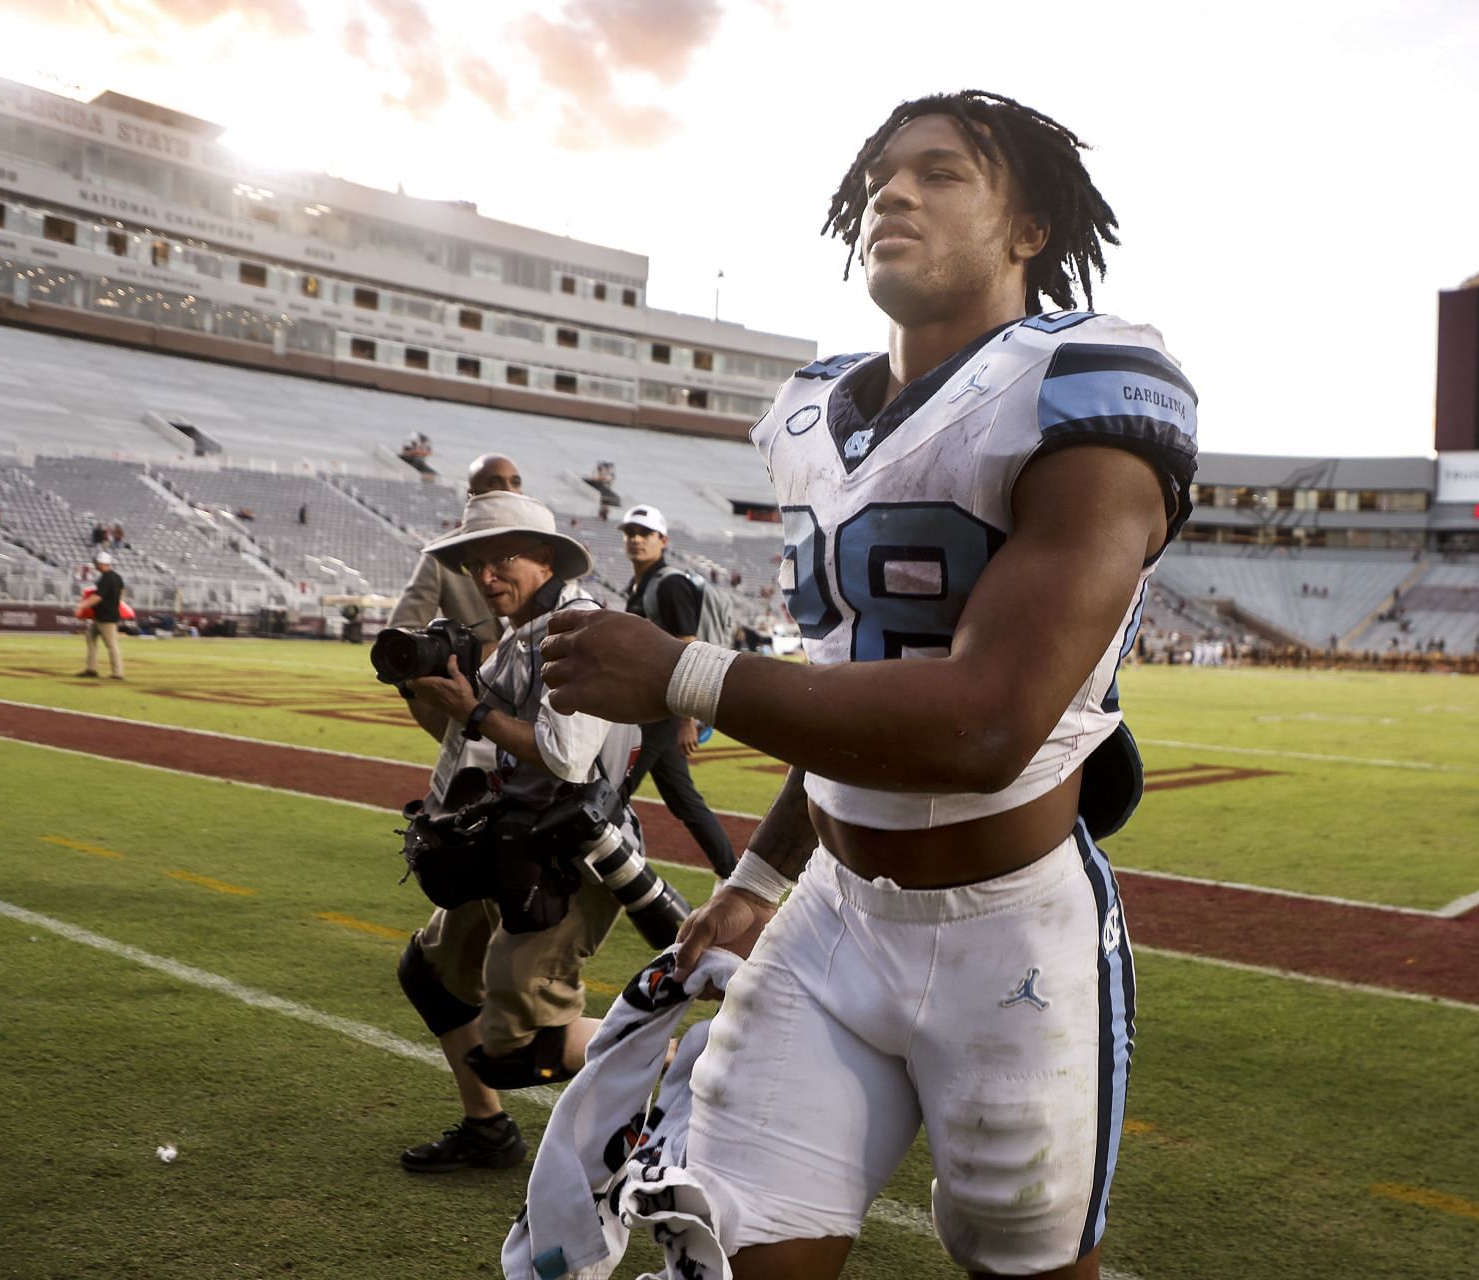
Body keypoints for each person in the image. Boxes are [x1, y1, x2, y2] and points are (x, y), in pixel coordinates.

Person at [537, 90, 1195, 1280]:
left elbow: (984, 720)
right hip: (832, 917)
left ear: (1028, 227)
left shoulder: (1084, 380)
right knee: (724, 1249)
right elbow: (855, 688)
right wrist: (754, 878)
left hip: (1011, 936)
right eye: (884, 177)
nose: (896, 192)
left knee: (1028, 1267)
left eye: (942, 174)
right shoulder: (808, 412)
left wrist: (684, 672)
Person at [393, 490, 637, 1173]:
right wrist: (436, 698)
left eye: (501, 558)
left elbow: (565, 754)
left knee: (526, 1042)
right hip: (509, 846)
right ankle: (488, 1131)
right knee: (432, 973)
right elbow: (482, 749)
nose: (487, 576)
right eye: (476, 565)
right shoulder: (520, 638)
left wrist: (473, 713)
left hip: (568, 856)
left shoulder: (576, 633)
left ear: (548, 558)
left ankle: (702, 1065)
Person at [619, 503, 738, 879]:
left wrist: (686, 718)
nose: (636, 539)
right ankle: (733, 875)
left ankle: (613, 878)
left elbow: (690, 649)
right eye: (630, 533)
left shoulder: (669, 584)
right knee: (684, 800)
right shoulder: (640, 585)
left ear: (663, 540)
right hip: (650, 707)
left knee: (612, 792)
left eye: (645, 533)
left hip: (663, 710)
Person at [387, 453, 521, 650]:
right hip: (472, 679)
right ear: (471, 495)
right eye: (495, 483)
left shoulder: (547, 547)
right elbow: (401, 634)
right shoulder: (441, 555)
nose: (508, 491)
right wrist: (470, 655)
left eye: (515, 483)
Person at [78, 550, 125, 680]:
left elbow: (98, 597)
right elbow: (121, 592)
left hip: (106, 616)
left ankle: (117, 673)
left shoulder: (106, 578)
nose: (96, 564)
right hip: (104, 614)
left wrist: (82, 605)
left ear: (101, 563)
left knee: (111, 644)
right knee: (90, 637)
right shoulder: (117, 577)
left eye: (97, 562)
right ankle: (91, 669)